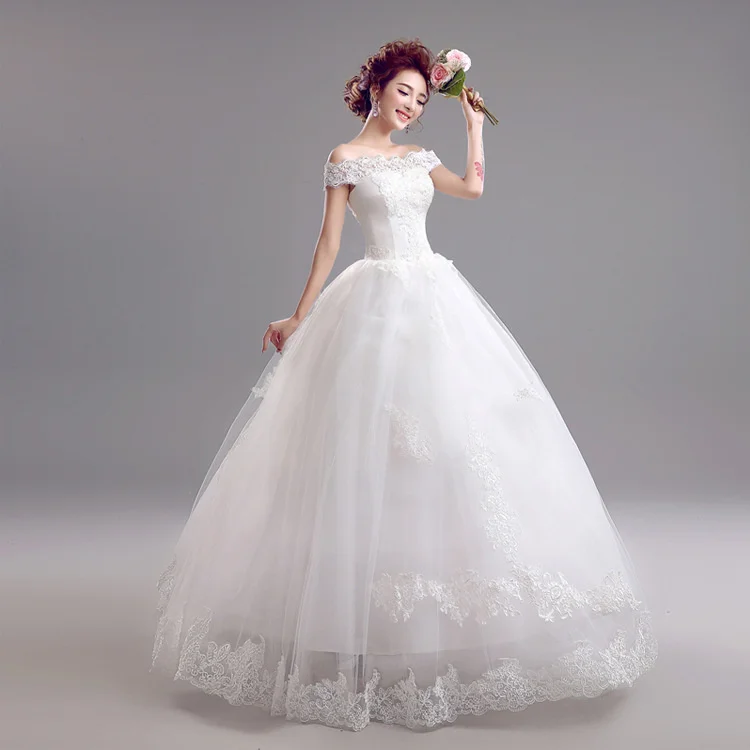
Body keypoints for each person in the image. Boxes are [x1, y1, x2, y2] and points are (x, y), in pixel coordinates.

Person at [150, 38, 658, 732]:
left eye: (422, 98)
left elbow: (472, 189)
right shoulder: (343, 159)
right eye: (404, 92)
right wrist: (299, 315)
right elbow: (328, 245)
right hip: (373, 306)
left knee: (449, 446)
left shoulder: (421, 158)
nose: (414, 106)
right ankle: (352, 625)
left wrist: (474, 126)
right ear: (377, 88)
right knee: (361, 454)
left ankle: (438, 622)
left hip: (434, 302)